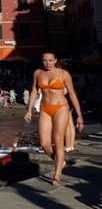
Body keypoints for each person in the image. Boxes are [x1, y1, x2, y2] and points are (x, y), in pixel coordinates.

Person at [24, 51, 83, 185]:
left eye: (50, 60)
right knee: (44, 144)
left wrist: (79, 115)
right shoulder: (38, 73)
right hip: (45, 109)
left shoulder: (64, 74)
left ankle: (57, 176)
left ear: (55, 60)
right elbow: (34, 91)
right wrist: (29, 110)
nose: (47, 63)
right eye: (45, 60)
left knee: (58, 142)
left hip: (60, 108)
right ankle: (60, 161)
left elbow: (72, 94)